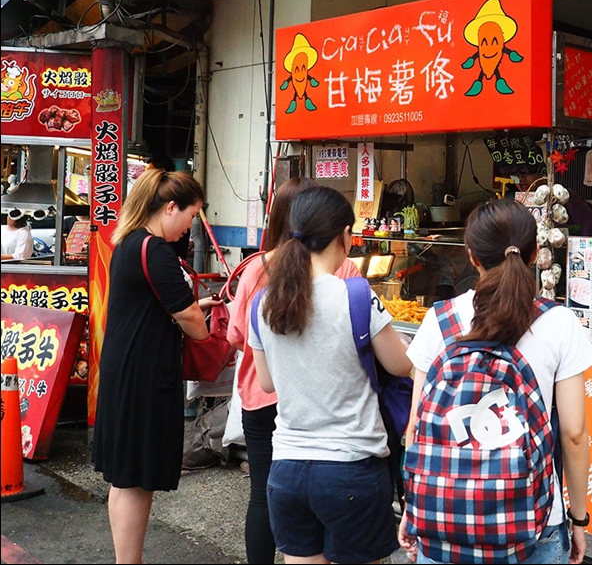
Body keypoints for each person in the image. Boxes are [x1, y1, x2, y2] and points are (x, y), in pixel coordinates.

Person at [398, 198, 592, 564]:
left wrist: (414, 508)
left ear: (471, 255)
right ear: (535, 253)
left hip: (444, 516)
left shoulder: (438, 321)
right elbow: (574, 433)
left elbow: (415, 427)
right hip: (533, 522)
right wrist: (579, 519)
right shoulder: (559, 322)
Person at [247, 186, 411, 564]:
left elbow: (267, 382)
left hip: (287, 469)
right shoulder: (354, 294)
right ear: (344, 237)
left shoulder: (264, 302)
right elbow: (400, 365)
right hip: (351, 468)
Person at [226, 177, 363, 565]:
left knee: (264, 493)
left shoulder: (256, 268)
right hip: (323, 398)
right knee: (324, 492)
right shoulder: (346, 268)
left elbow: (237, 334)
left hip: (260, 393)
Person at [91, 168, 220, 564]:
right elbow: (192, 323)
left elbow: (156, 307)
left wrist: (193, 309)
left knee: (125, 475)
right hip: (143, 376)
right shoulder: (157, 251)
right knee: (135, 477)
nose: (188, 229)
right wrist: (207, 331)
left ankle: (126, 560)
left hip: (124, 369)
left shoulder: (130, 242)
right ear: (169, 207)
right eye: (190, 215)